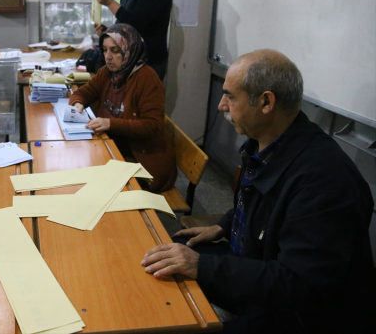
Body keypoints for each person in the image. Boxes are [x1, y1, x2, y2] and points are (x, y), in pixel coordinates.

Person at [141, 50, 376, 333]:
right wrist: (223, 225)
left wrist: (203, 267)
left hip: (301, 313)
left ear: (266, 102)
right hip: (258, 267)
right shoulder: (265, 143)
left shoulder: (325, 182)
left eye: (230, 96)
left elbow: (300, 285)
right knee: (162, 260)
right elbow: (263, 206)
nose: (221, 105)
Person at [69, 24, 176, 193]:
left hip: (143, 160)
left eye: (115, 51)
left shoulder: (147, 78)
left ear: (129, 49)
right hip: (114, 148)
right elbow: (82, 93)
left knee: (93, 182)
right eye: (104, 50)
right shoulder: (108, 72)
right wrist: (78, 104)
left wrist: (111, 124)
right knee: (77, 168)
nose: (108, 57)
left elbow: (153, 126)